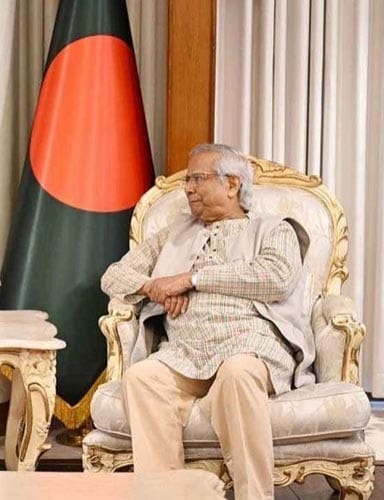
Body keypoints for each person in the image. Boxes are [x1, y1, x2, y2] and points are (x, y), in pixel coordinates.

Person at [100, 143, 314, 500]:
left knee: (238, 373)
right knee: (142, 377)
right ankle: (166, 496)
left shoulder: (273, 229)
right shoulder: (173, 235)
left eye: (198, 179)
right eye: (187, 181)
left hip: (249, 345)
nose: (188, 189)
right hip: (184, 352)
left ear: (232, 184)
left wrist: (191, 279)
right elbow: (113, 276)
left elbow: (275, 278)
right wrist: (154, 287)